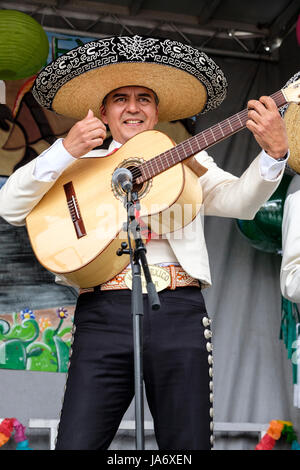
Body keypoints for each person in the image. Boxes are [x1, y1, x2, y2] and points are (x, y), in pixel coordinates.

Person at [0, 35, 289, 450]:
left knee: (185, 447)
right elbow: (10, 206)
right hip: (102, 312)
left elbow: (240, 204)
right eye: (120, 98)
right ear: (103, 111)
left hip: (178, 310)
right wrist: (63, 148)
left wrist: (273, 157)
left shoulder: (188, 158)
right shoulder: (78, 165)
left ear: (156, 112)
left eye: (144, 99)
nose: (132, 107)